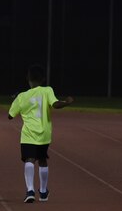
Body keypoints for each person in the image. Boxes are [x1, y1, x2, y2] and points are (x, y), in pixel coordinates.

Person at [8, 64, 73, 203]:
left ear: (27, 78)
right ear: (43, 79)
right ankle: (43, 192)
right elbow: (55, 104)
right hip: (44, 134)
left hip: (28, 134)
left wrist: (18, 101)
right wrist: (66, 102)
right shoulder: (47, 90)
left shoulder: (22, 96)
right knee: (42, 160)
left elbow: (10, 115)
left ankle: (30, 190)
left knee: (29, 160)